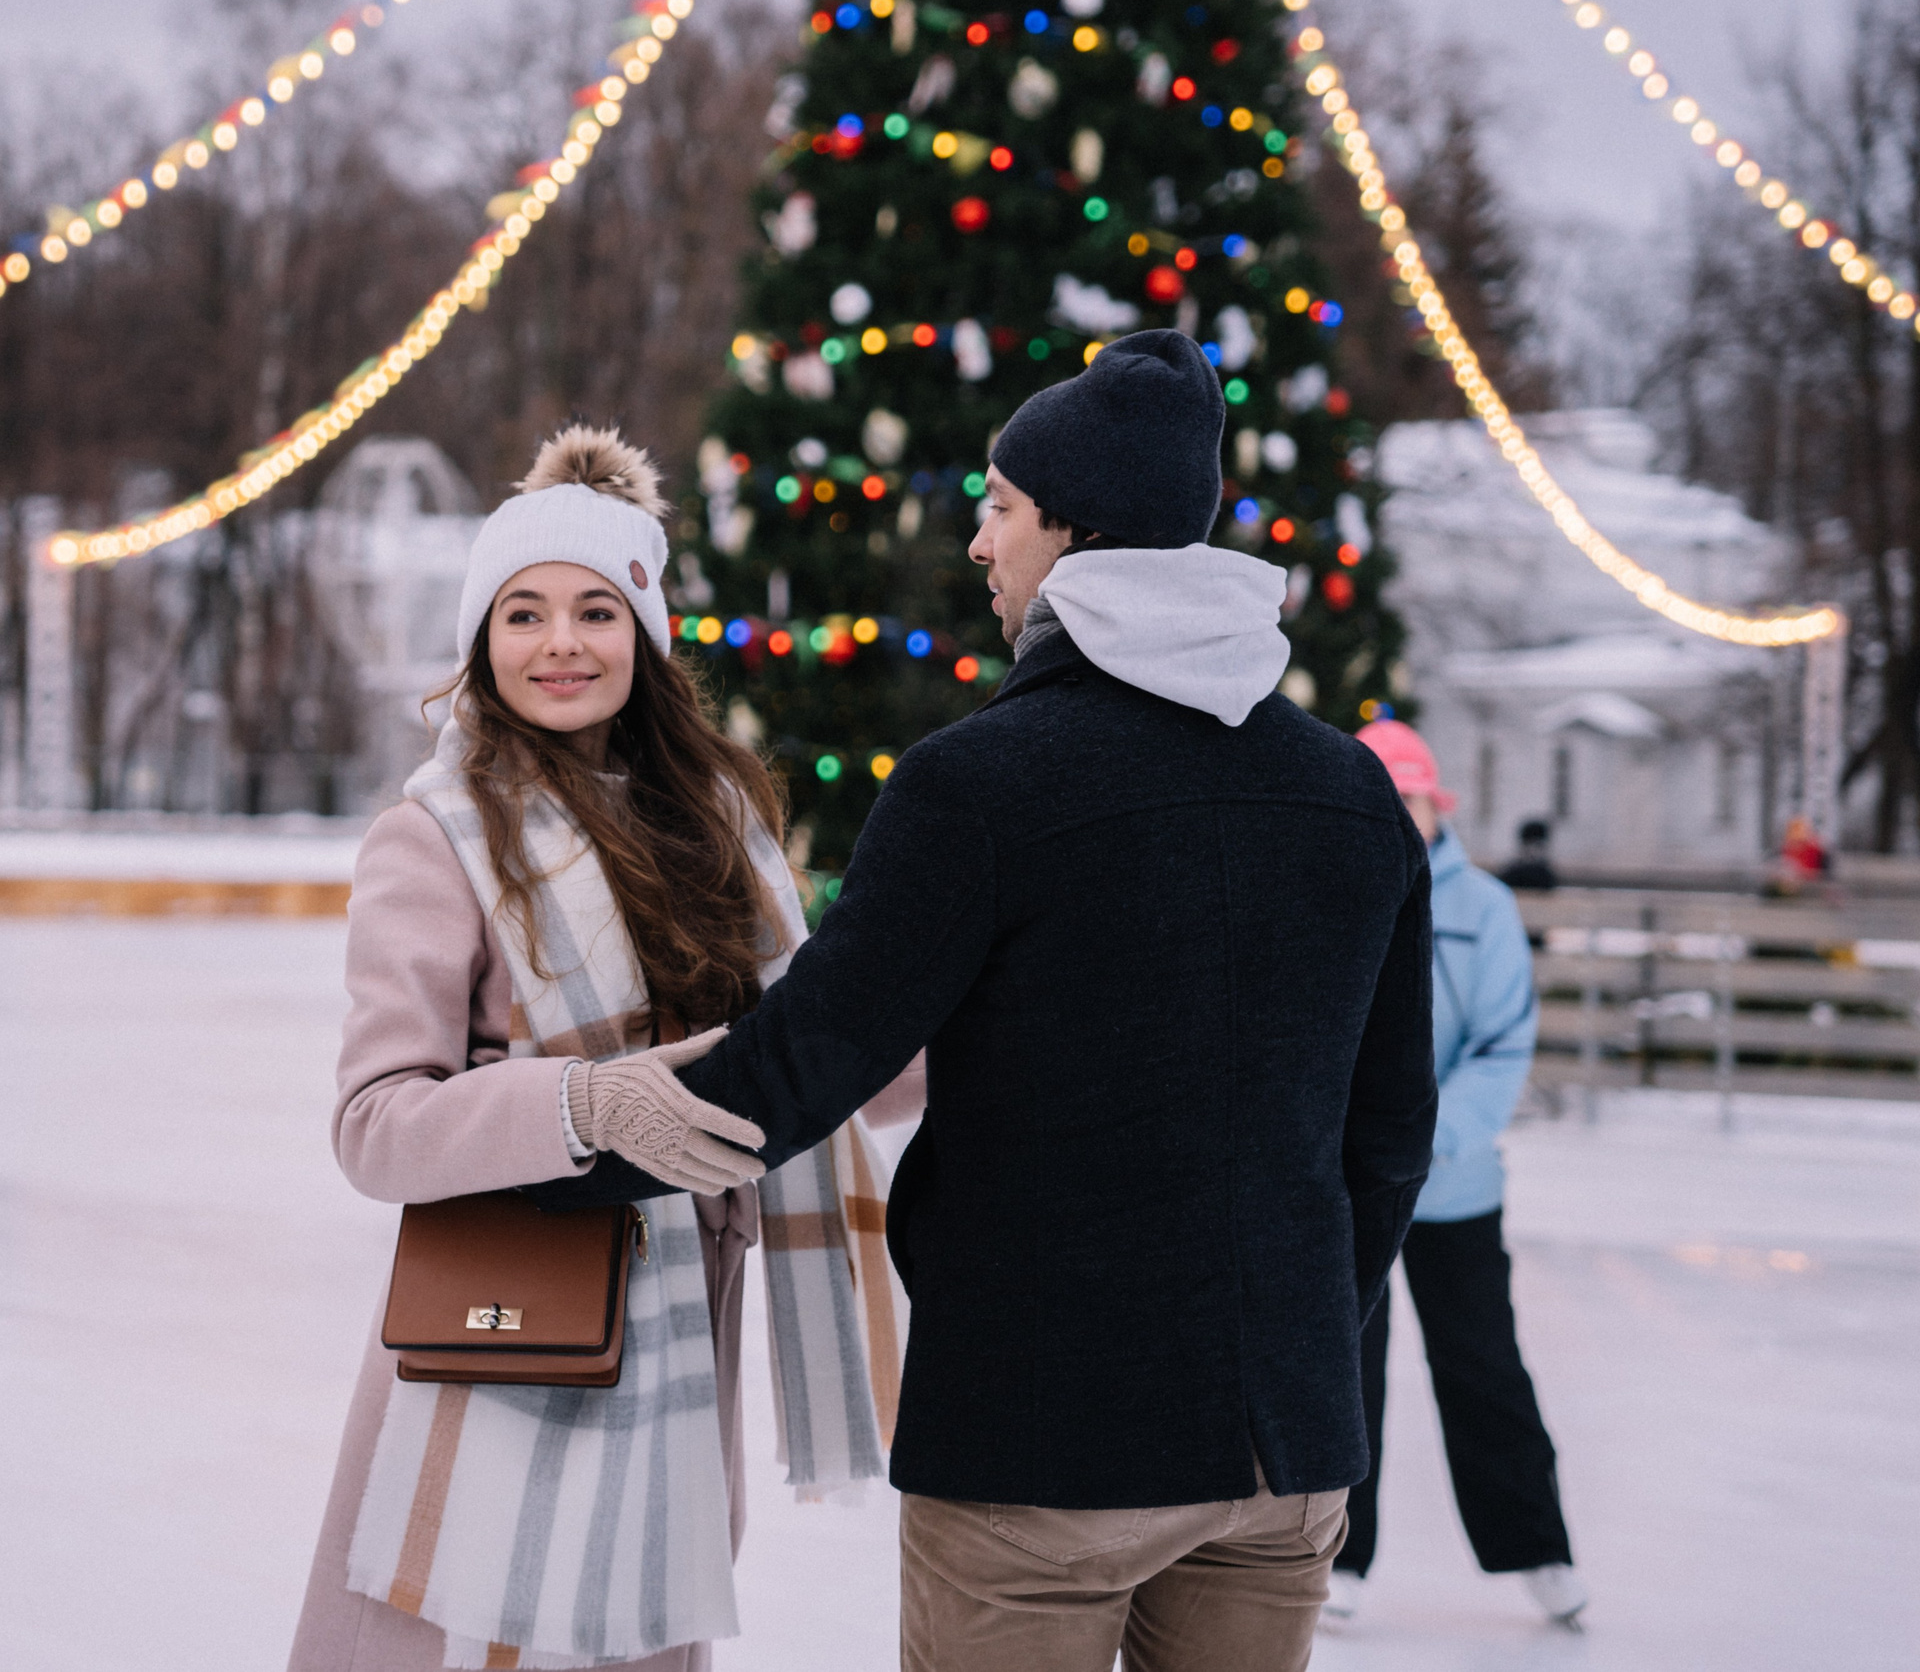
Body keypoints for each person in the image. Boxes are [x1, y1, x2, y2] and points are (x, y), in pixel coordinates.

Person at [531, 331, 1441, 1672]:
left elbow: (803, 1063)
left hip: (1040, 1443)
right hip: (1282, 1448)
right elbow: (1390, 1131)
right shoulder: (1353, 793)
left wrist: (552, 1149)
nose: (978, 546)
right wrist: (1299, 1327)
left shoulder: (983, 787)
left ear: (1077, 532)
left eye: (1000, 509)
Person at [288, 426, 922, 1672]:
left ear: (645, 635)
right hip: (509, 1333)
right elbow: (376, 1124)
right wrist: (580, 1105)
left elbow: (791, 1059)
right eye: (521, 615)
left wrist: (985, 1032)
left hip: (684, 1325)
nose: (561, 644)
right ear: (482, 642)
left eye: (594, 610)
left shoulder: (718, 827)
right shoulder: (437, 837)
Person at [1329, 722, 1585, 1629]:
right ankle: (1339, 1557)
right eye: (1379, 796)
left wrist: (1428, 1137)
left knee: (1482, 1364)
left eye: (1410, 798)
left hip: (1452, 1183)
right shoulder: (1324, 891)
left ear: (1438, 804)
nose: (1397, 815)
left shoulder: (1482, 909)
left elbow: (1502, 1043)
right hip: (1347, 1187)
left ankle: (1538, 1547)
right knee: (1345, 1371)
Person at [1497, 818, 1560, 891]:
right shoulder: (1512, 873)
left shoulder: (1545, 875)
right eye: (1530, 845)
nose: (1533, 851)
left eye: (1538, 845)